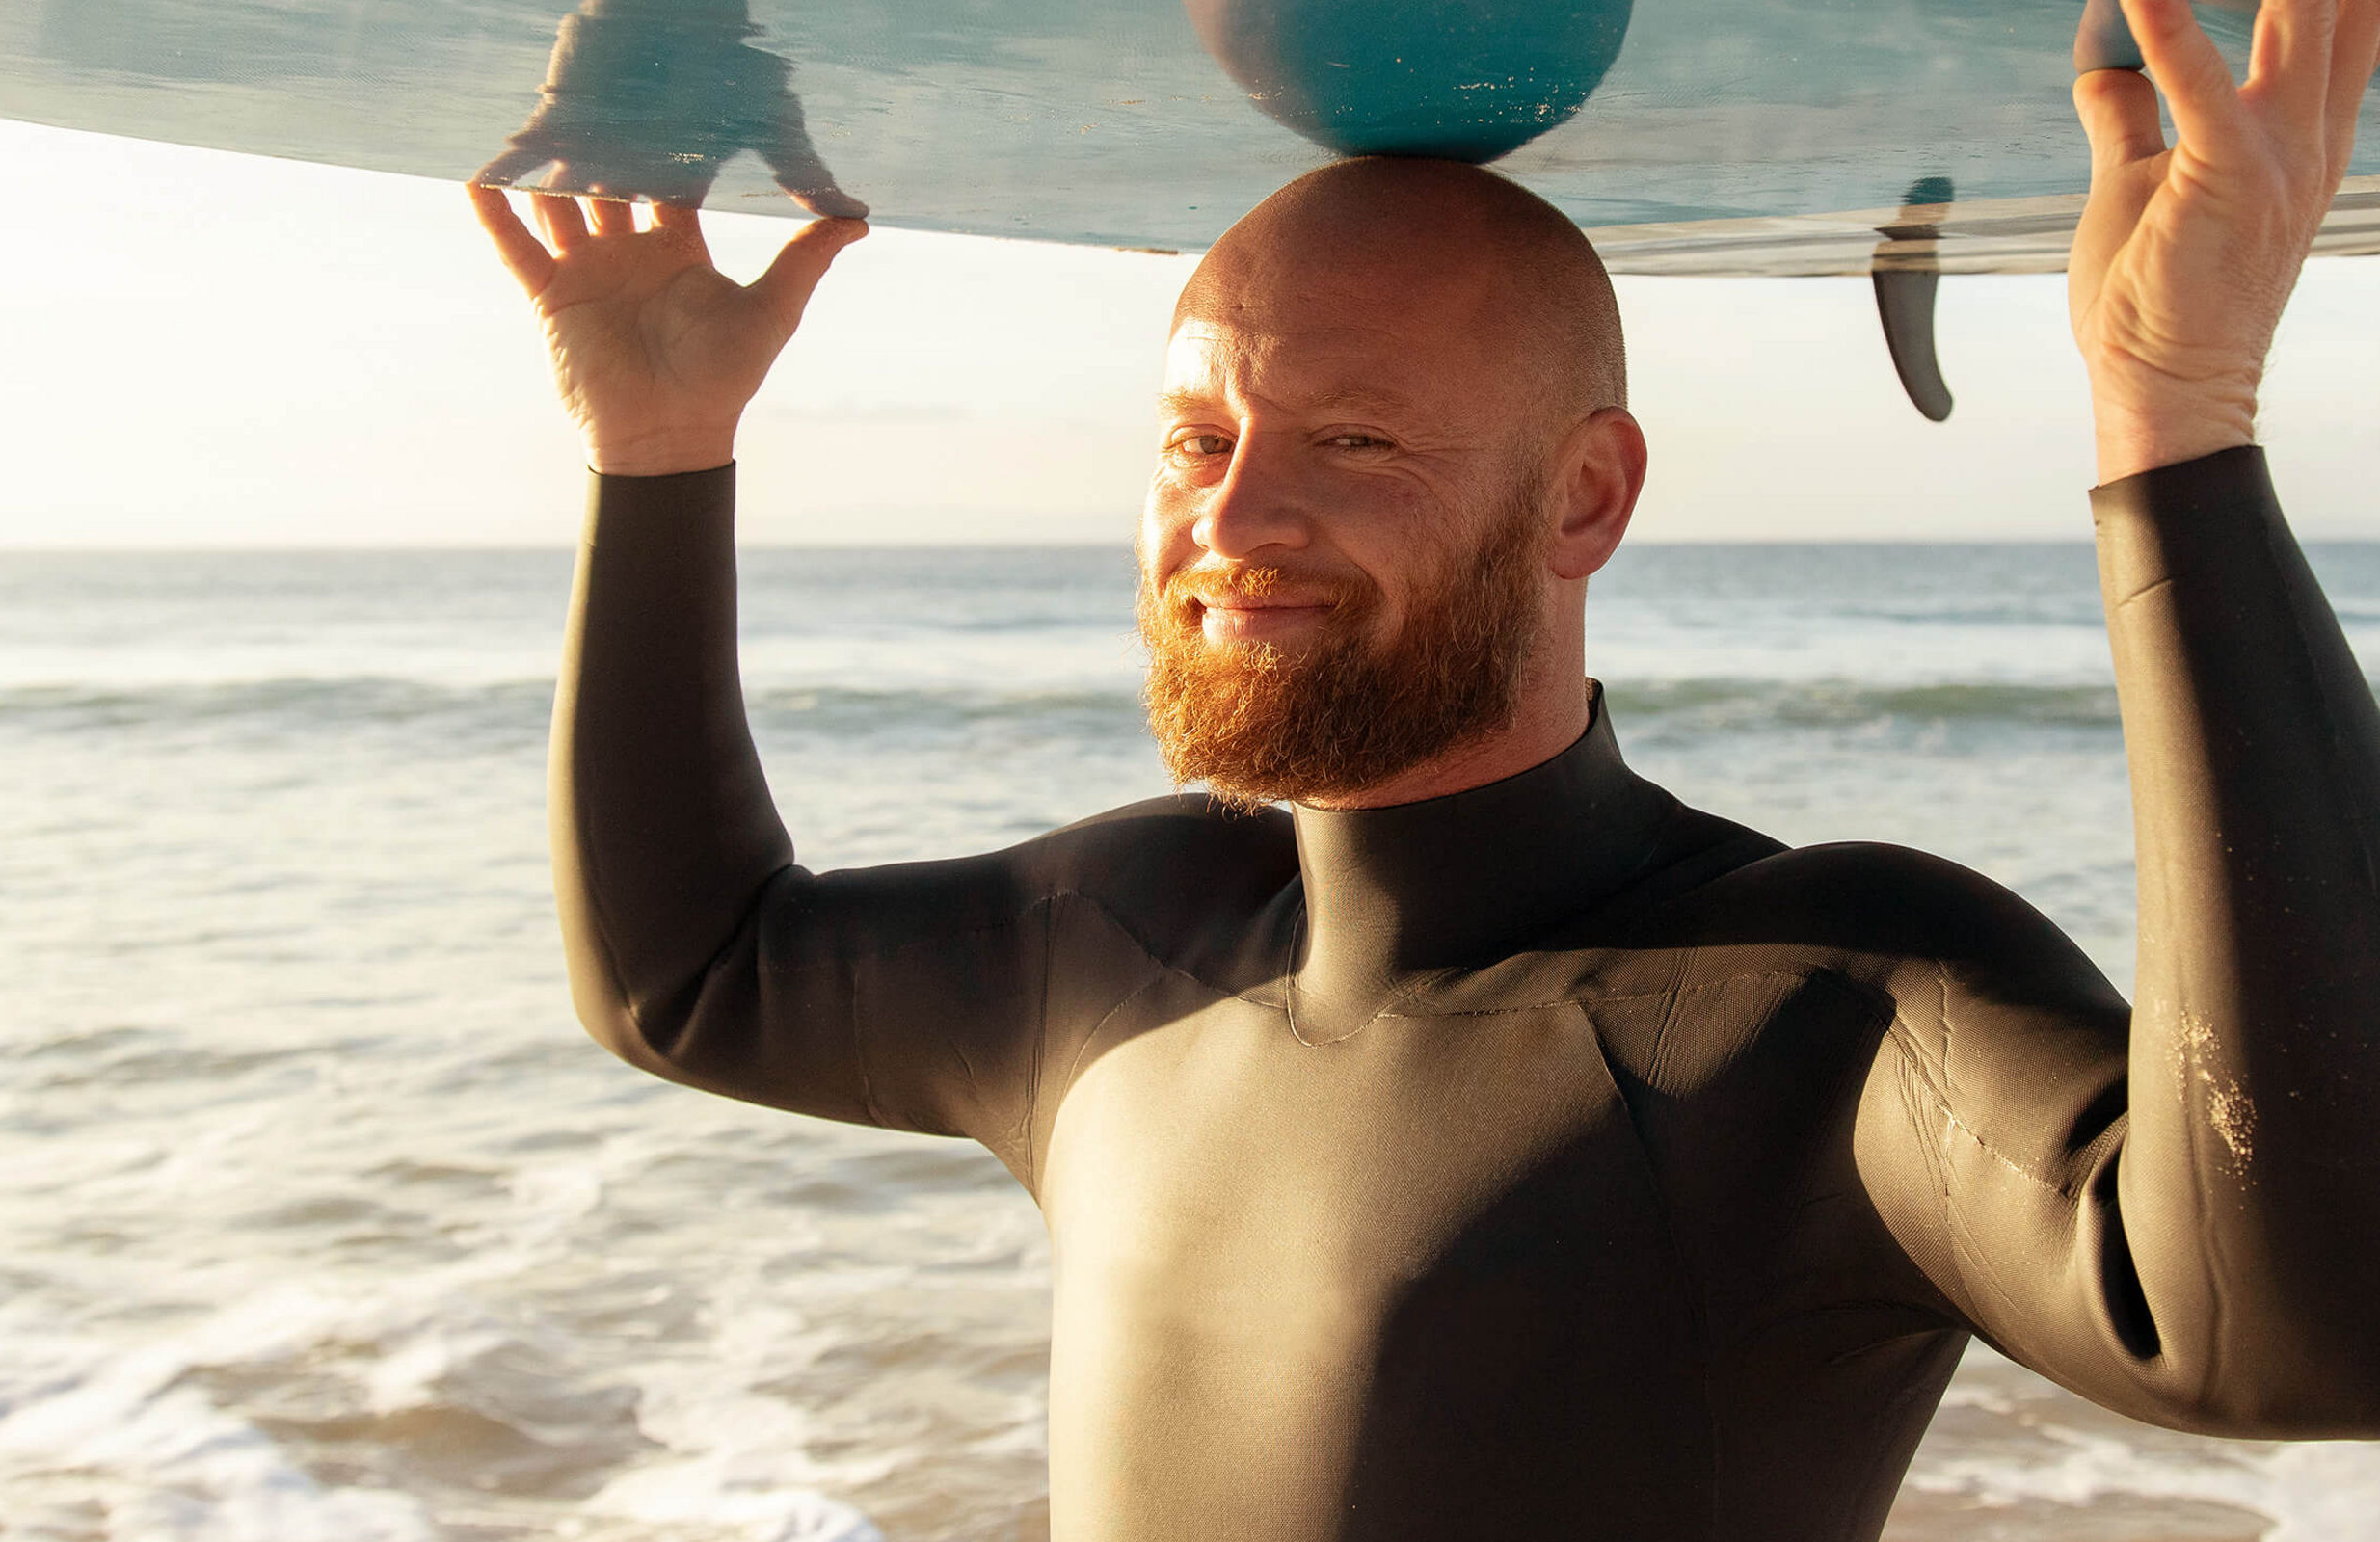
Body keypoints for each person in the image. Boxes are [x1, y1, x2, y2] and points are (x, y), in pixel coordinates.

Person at [468, 0, 2380, 1532]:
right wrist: (655, 447)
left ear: (1585, 494)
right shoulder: (1113, 938)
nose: (1235, 516)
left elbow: (2290, 1327)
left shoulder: (1810, 1006)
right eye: (1191, 432)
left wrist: (2174, 418)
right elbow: (687, 973)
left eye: (1355, 441)